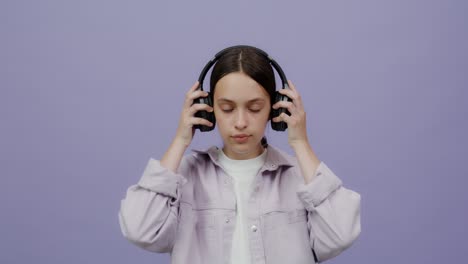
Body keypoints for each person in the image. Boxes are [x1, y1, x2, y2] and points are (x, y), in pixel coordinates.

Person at [118, 46, 361, 264]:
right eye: (227, 109)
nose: (241, 122)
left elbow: (341, 234)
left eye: (255, 108)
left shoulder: (302, 179)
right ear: (209, 109)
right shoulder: (183, 178)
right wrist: (180, 139)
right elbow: (140, 230)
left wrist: (300, 142)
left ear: (275, 108)